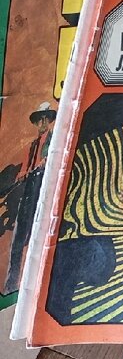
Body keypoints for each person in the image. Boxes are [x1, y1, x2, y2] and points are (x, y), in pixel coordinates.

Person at [4, 102, 55, 292]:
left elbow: (51, 160)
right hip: (27, 190)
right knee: (18, 239)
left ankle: (34, 284)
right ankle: (11, 285)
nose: (42, 123)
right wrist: (22, 175)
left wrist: (41, 165)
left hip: (42, 188)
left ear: (48, 120)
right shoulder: (33, 144)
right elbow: (25, 168)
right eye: (39, 120)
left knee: (37, 235)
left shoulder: (53, 139)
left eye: (44, 119)